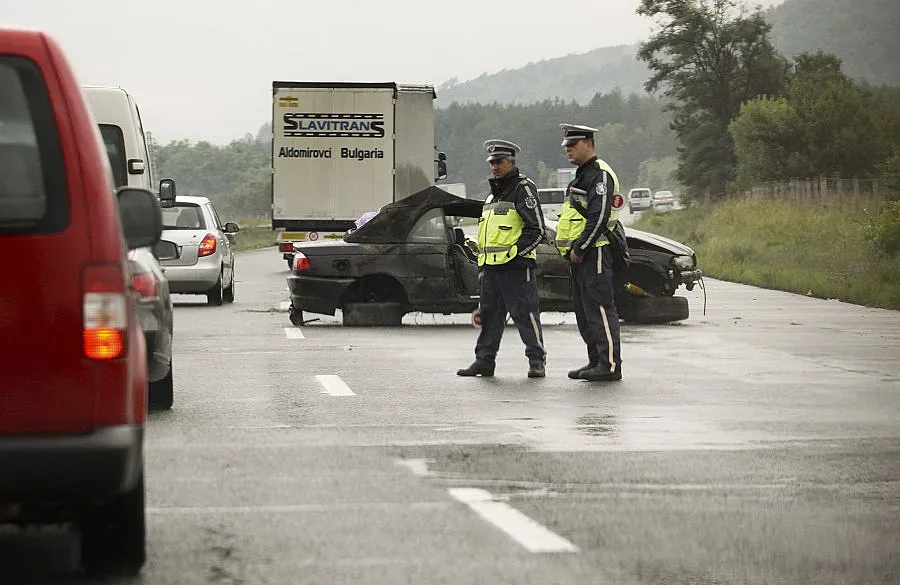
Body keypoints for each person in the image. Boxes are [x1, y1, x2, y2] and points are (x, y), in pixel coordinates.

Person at [457, 139, 547, 378]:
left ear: (512, 162)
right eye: (492, 163)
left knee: (525, 315)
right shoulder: (491, 196)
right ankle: (484, 361)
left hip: (516, 267)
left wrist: (515, 253)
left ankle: (536, 361)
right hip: (491, 268)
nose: (495, 167)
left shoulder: (523, 189)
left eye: (499, 162)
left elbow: (536, 229)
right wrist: (482, 266)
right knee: (490, 316)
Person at [555, 123, 624, 382]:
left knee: (600, 310)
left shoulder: (600, 174)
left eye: (573, 145)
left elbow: (599, 215)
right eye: (567, 146)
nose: (568, 150)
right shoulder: (583, 175)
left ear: (589, 144)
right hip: (580, 256)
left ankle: (610, 365)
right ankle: (595, 360)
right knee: (585, 313)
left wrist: (581, 246)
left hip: (594, 252)